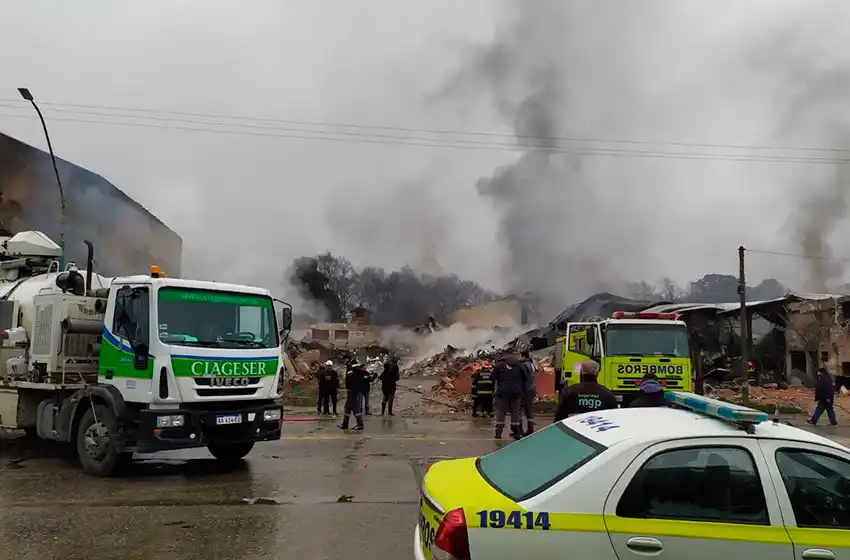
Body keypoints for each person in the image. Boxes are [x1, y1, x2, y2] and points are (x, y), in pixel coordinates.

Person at [491, 352, 527, 440]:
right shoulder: (520, 365)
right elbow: (526, 378)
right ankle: (516, 432)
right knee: (515, 412)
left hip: (502, 393)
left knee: (501, 412)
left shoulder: (499, 365)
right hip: (516, 393)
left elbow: (492, 378)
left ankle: (498, 433)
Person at [340, 362, 366, 431]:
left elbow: (350, 382)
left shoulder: (356, 374)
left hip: (353, 392)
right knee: (347, 408)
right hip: (351, 393)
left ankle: (360, 424)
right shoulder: (357, 373)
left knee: (355, 408)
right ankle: (345, 424)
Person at [519, 350, 537, 436]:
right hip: (532, 389)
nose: (519, 358)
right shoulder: (532, 364)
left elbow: (523, 378)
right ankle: (530, 429)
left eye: (520, 356)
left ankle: (520, 430)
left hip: (525, 390)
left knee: (520, 410)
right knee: (529, 409)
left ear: (523, 356)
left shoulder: (524, 365)